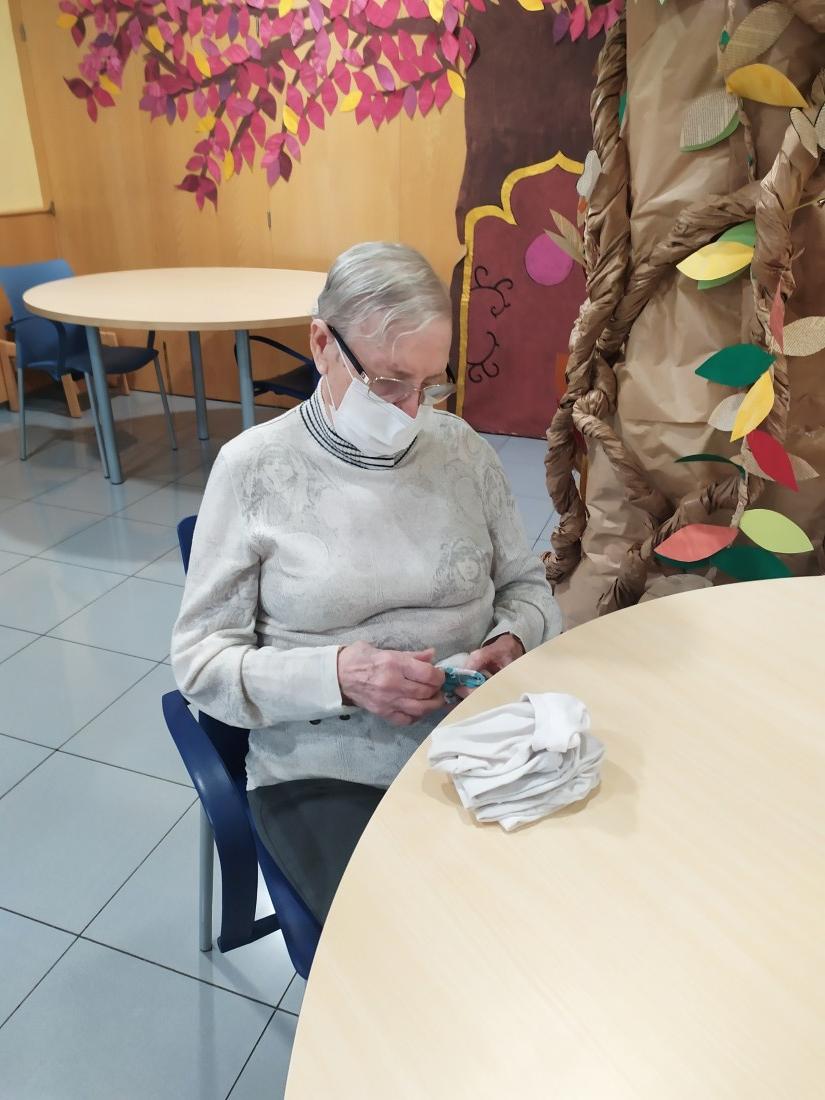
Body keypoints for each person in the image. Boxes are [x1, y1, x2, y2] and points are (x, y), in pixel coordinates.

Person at [171, 242, 561, 925]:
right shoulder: (252, 471)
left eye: (430, 384)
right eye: (388, 383)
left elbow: (528, 590)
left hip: (476, 737)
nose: (411, 412)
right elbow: (201, 665)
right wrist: (341, 676)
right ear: (322, 343)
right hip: (328, 765)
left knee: (554, 911)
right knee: (414, 941)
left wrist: (512, 640)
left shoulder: (462, 451)